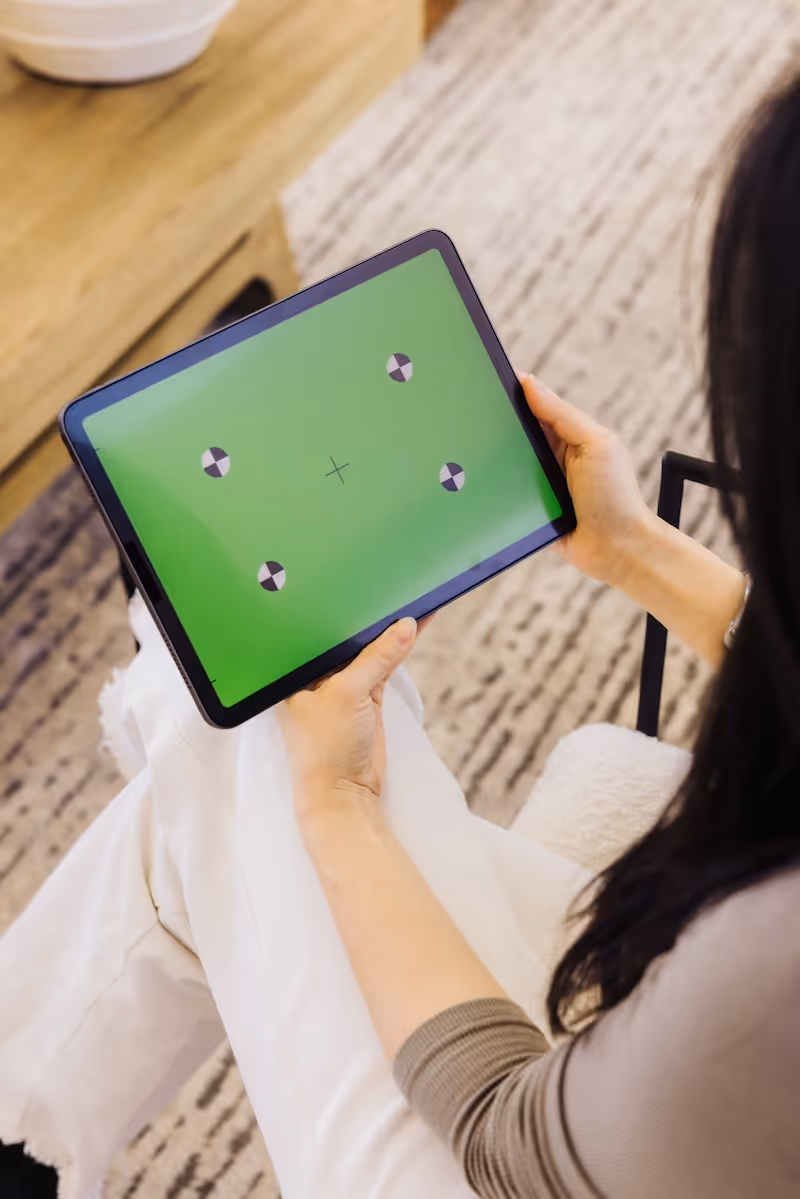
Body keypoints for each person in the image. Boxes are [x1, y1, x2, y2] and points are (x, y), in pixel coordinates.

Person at [3, 69, 800, 1199]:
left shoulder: (766, 977)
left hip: (537, 1143)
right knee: (261, 732)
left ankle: (174, 668)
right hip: (666, 1083)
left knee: (244, 724)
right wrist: (634, 548)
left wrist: (335, 807)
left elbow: (510, 1133)